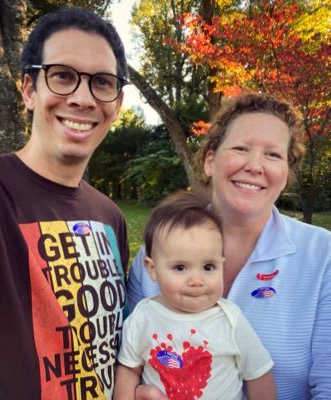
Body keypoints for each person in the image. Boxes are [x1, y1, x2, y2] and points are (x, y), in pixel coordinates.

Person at [0, 7, 130, 400]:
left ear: (117, 103)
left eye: (102, 83)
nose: (82, 98)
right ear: (29, 89)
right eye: (62, 77)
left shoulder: (111, 219)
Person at [129, 93, 331, 400]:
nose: (255, 165)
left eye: (273, 155)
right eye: (241, 148)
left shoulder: (323, 256)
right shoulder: (155, 251)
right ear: (210, 160)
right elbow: (129, 357)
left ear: (286, 174)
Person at [114, 191, 276, 400]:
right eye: (180, 267)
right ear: (152, 268)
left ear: (221, 265)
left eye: (209, 267)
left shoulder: (230, 320)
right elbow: (128, 370)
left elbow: (258, 374)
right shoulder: (143, 317)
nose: (197, 280)